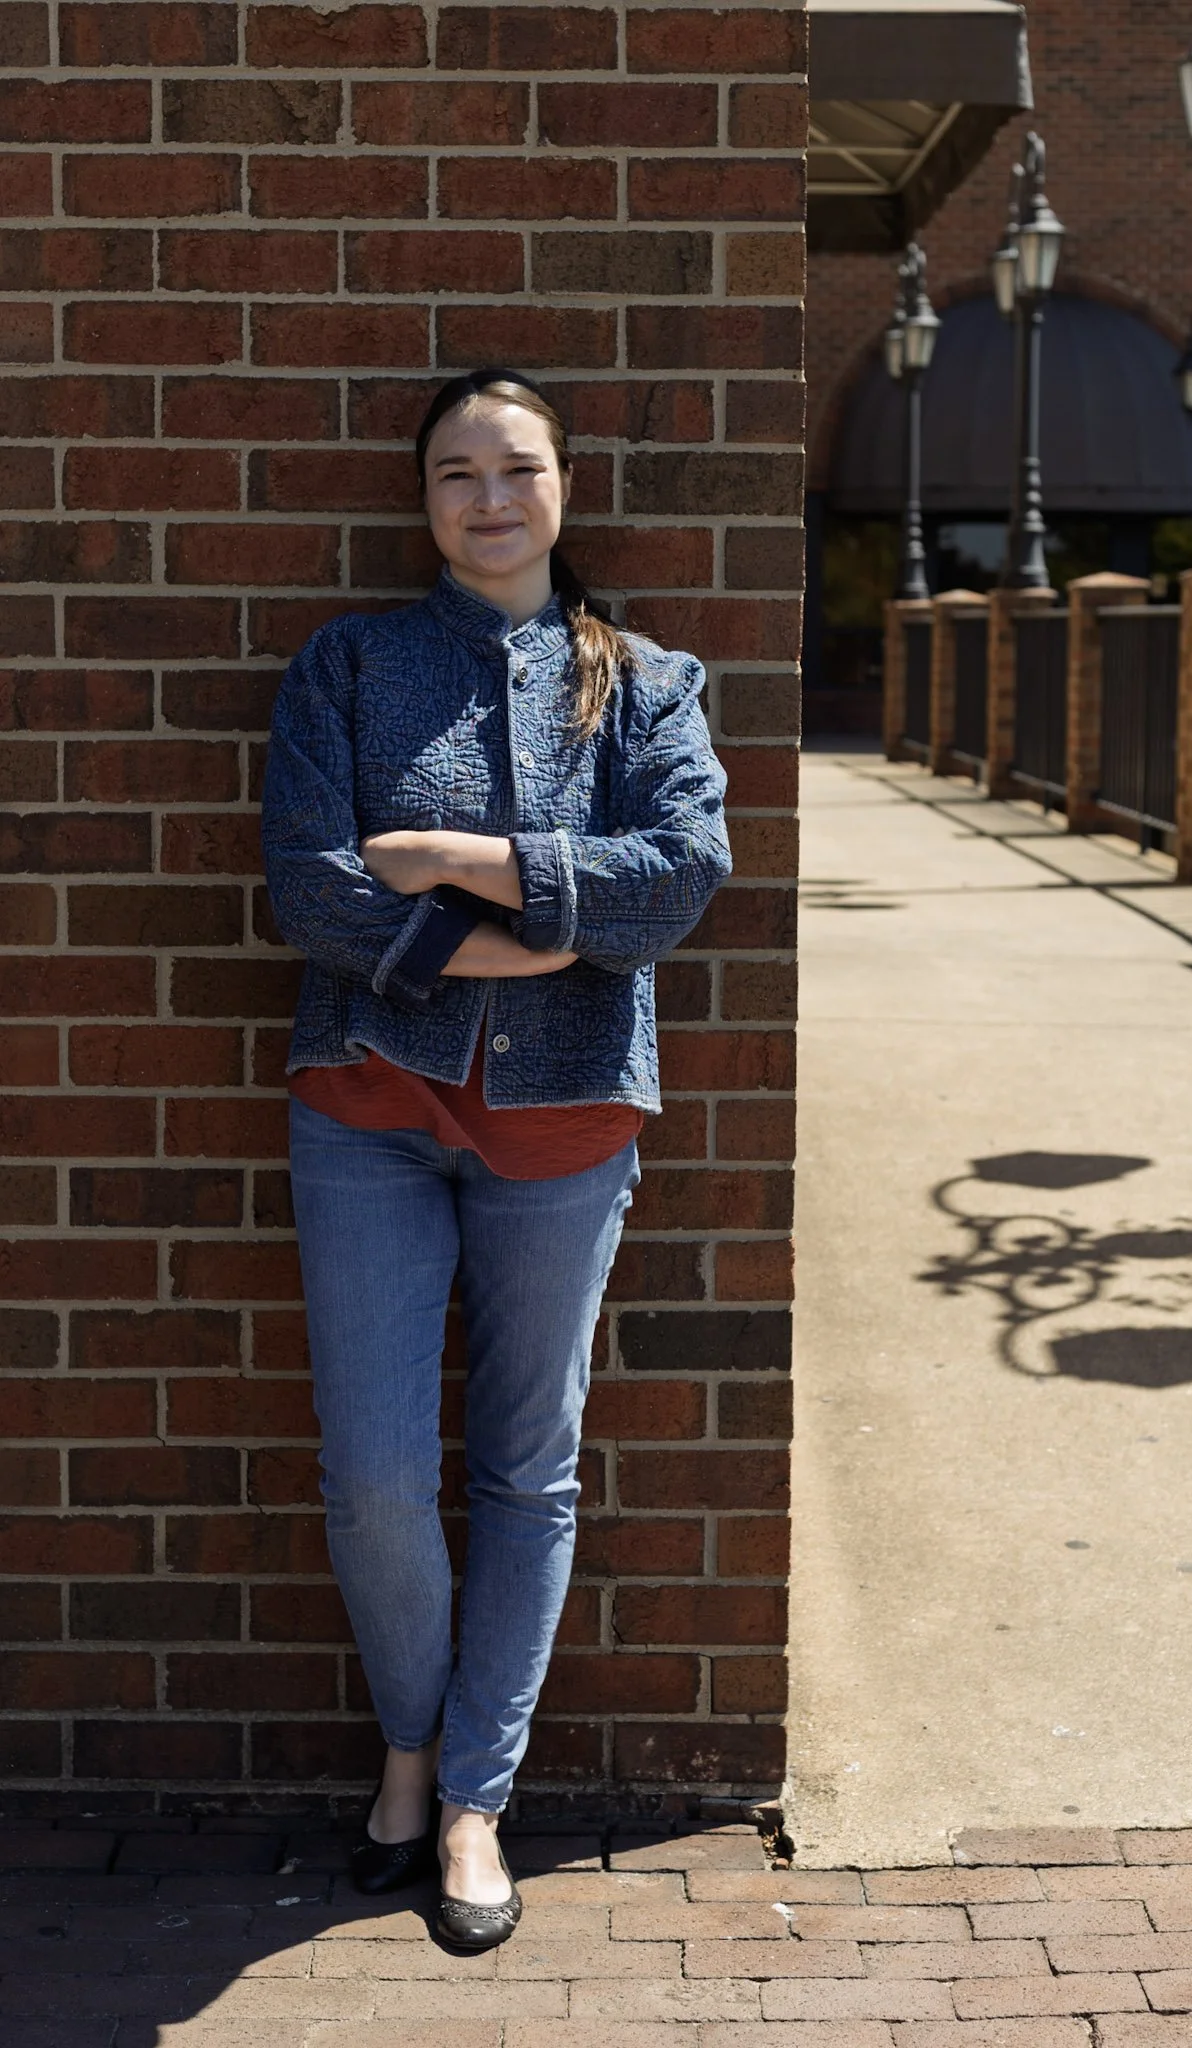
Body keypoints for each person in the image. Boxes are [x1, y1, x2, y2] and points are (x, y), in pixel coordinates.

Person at [259, 368, 732, 1952]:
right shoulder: (351, 664)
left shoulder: (648, 684)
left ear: (565, 488)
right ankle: (405, 1746)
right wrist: (533, 944)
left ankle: (472, 1798)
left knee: (527, 1470)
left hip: (570, 1119)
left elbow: (682, 875)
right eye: (455, 471)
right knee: (378, 1477)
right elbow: (311, 886)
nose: (487, 497)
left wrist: (471, 866)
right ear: (424, 500)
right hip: (371, 1111)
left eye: (515, 468)